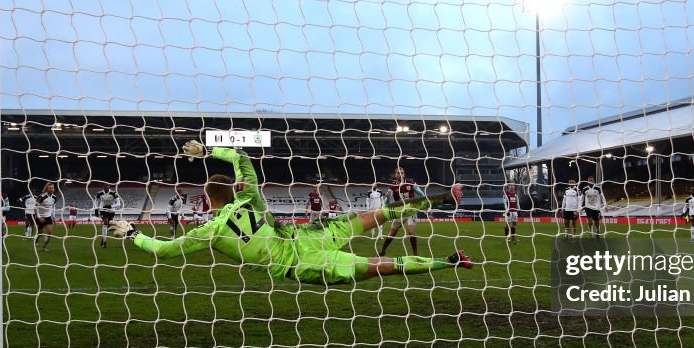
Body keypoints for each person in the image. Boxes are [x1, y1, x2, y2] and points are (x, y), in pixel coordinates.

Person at [110, 143, 471, 283]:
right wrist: (207, 151)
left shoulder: (211, 231)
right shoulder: (248, 199)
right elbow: (242, 158)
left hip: (299, 264)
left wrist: (131, 233)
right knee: (381, 215)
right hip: (310, 236)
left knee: (381, 268)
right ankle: (442, 200)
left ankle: (449, 261)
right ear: (232, 189)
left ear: (207, 200)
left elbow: (165, 250)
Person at [379, 168, 425, 257]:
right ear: (395, 175)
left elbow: (421, 194)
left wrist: (422, 201)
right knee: (392, 233)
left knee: (411, 232)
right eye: (398, 173)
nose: (400, 174)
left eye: (402, 173)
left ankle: (415, 253)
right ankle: (383, 251)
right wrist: (388, 198)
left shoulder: (410, 182)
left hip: (411, 210)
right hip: (400, 211)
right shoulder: (393, 186)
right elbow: (386, 203)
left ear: (404, 174)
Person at [34, 182, 58, 251]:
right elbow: (35, 207)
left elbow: (53, 208)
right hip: (40, 217)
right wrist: (39, 217)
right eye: (50, 188)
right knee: (40, 233)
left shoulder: (54, 197)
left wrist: (53, 217)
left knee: (50, 233)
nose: (51, 189)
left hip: (48, 217)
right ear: (47, 189)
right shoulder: (42, 196)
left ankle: (45, 247)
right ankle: (36, 240)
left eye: (52, 188)